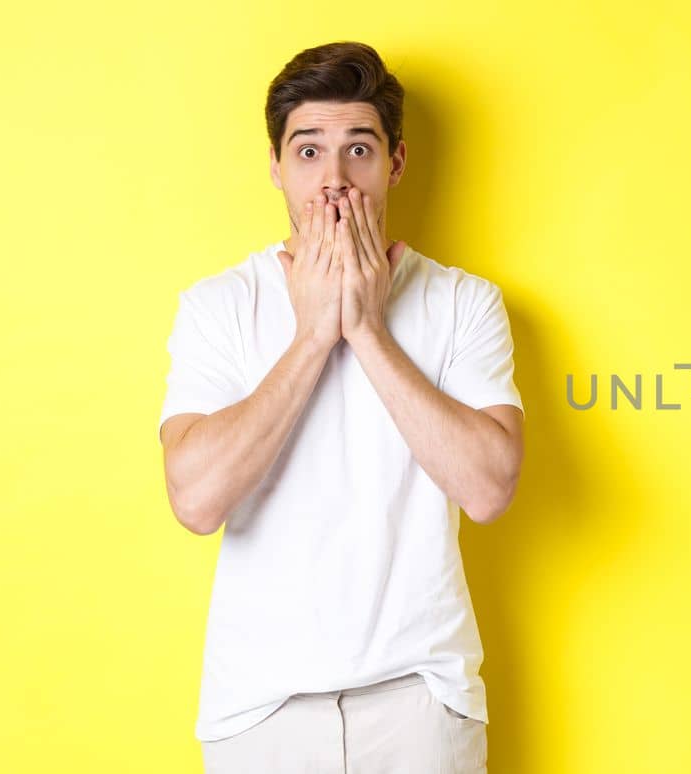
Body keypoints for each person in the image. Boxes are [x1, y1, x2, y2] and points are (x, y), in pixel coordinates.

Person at [157, 40, 520, 772]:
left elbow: (489, 487)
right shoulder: (218, 307)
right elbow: (194, 500)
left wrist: (366, 329)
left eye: (358, 148)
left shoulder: (462, 303)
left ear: (396, 162)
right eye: (308, 151)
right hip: (260, 708)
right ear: (275, 166)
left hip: (421, 701)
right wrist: (315, 333)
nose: (333, 179)